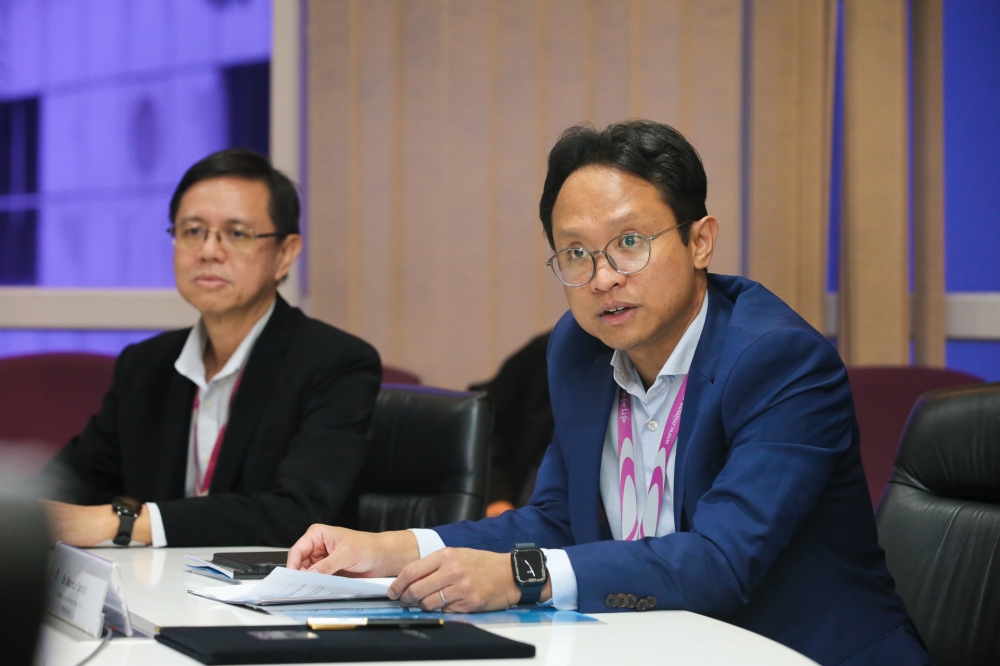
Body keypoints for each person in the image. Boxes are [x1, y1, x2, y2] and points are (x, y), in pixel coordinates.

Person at [287, 121, 929, 666]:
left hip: (796, 652)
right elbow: (555, 518)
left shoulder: (778, 361)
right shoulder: (579, 347)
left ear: (699, 239)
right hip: (649, 646)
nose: (602, 279)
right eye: (574, 253)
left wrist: (518, 578)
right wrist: (391, 549)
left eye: (629, 244)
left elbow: (721, 561)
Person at [42, 149, 381, 548]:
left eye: (236, 233)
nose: (208, 251)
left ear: (285, 253)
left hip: (269, 602)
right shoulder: (146, 365)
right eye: (192, 231)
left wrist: (126, 522)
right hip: (152, 594)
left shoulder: (335, 364)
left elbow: (299, 515)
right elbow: (63, 486)